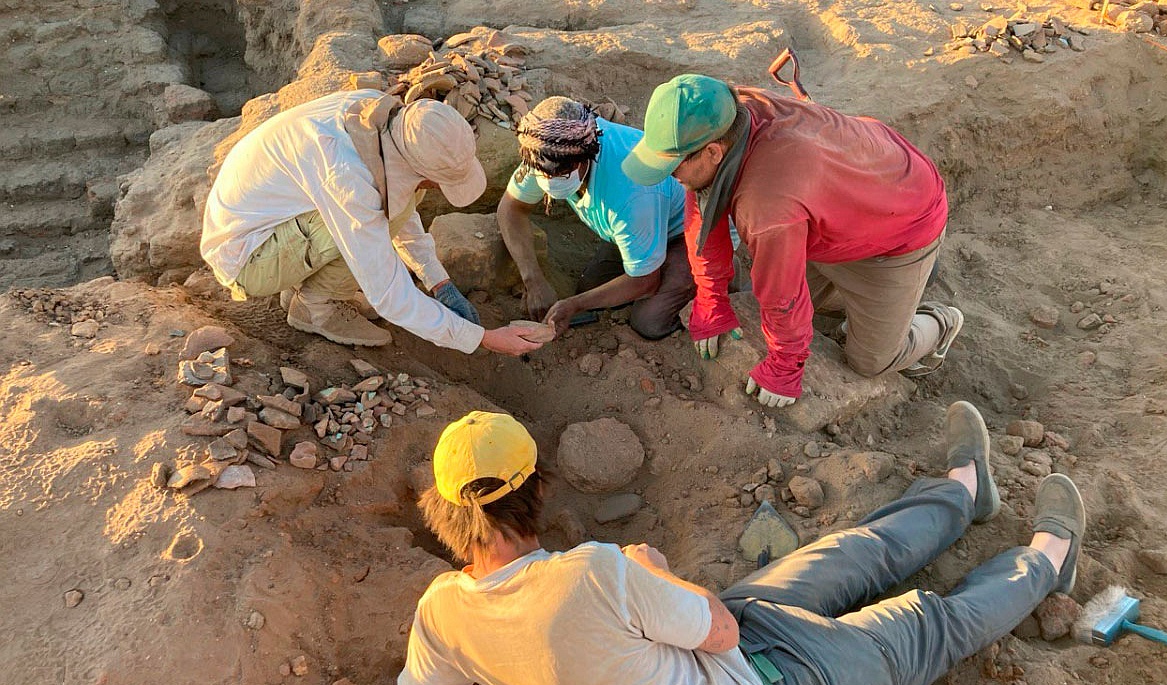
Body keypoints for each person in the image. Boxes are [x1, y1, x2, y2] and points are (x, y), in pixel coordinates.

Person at [395, 402, 1087, 685]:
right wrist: (653, 566)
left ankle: (963, 493)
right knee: (926, 624)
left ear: (446, 513)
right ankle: (1050, 561)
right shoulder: (593, 572)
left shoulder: (442, 614)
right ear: (536, 490)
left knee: (849, 556)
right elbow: (716, 630)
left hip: (723, 654)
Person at [622, 74, 964, 408]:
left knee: (870, 361)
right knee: (787, 304)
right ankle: (881, 297)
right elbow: (702, 204)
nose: (672, 177)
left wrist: (786, 365)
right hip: (849, 193)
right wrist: (711, 299)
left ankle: (939, 320)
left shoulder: (766, 207)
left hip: (905, 222)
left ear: (712, 152)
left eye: (673, 167)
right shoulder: (725, 112)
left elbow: (782, 297)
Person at [201, 89, 543, 357]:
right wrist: (482, 338)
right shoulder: (349, 178)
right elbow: (388, 295)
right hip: (246, 257)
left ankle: (304, 288)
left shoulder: (383, 118)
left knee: (399, 203)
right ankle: (316, 309)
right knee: (375, 218)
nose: (436, 188)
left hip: (273, 221)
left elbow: (400, 200)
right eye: (438, 181)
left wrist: (439, 282)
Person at [496, 97, 695, 339]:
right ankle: (650, 259)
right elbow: (511, 209)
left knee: (649, 322)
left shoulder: (630, 192)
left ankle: (711, 279)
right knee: (591, 288)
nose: (551, 181)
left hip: (687, 231)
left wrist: (574, 305)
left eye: (563, 173)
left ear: (587, 155)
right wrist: (533, 280)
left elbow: (645, 282)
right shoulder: (545, 151)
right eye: (545, 175)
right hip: (638, 225)